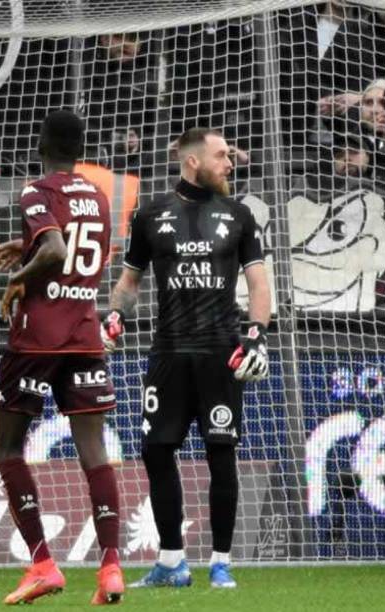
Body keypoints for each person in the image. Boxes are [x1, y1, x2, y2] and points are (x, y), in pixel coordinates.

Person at [103, 127, 271, 589]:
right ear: (193, 161)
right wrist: (114, 315)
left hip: (220, 353)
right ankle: (172, 562)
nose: (230, 163)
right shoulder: (151, 215)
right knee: (156, 451)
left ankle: (221, 562)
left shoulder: (239, 215)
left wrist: (255, 336)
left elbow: (258, 283)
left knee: (221, 452)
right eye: (222, 156)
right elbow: (130, 281)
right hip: (168, 354)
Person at [0, 110, 125, 605]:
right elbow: (78, 251)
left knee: (7, 448)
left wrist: (18, 276)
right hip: (84, 332)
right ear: (80, 148)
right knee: (94, 455)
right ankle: (111, 568)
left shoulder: (35, 190)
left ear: (41, 143)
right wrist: (26, 247)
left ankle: (43, 563)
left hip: (36, 338)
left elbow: (54, 247)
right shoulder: (99, 196)